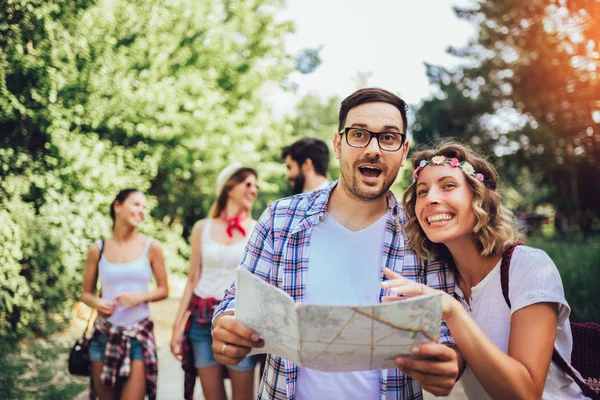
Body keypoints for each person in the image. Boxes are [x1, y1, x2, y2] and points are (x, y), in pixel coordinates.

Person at [211, 88, 464, 400]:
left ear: (403, 151)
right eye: (359, 134)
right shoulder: (280, 219)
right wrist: (226, 324)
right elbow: (236, 300)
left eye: (388, 138)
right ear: (338, 145)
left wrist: (452, 358)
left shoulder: (423, 233)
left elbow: (450, 325)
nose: (373, 149)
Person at [383, 140, 588, 399]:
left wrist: (454, 312)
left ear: (479, 198)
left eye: (448, 186)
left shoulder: (528, 267)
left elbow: (526, 394)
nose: (431, 199)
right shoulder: (440, 279)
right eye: (422, 191)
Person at [170, 163, 260, 400]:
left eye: (256, 186)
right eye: (248, 184)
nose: (254, 190)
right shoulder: (202, 228)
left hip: (238, 322)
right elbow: (192, 280)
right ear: (229, 188)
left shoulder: (257, 230)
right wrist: (177, 327)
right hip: (201, 322)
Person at [81, 189, 169, 400]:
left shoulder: (151, 247)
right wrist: (97, 303)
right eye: (136, 204)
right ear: (117, 206)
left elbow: (164, 289)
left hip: (138, 335)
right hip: (104, 335)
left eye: (144, 207)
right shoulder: (97, 249)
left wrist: (139, 297)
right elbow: (86, 294)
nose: (142, 211)